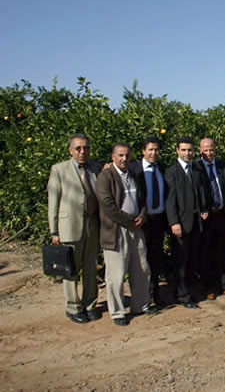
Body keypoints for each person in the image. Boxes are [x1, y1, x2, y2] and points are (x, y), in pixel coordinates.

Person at [96, 144, 154, 326]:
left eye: (127, 155)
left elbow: (142, 199)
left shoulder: (133, 174)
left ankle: (141, 305)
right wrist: (129, 220)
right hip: (116, 230)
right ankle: (118, 311)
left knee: (141, 268)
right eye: (120, 155)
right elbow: (107, 205)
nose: (124, 159)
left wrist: (142, 215)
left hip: (137, 228)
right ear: (113, 157)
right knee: (117, 273)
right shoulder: (105, 176)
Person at [47, 134, 102, 324]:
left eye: (86, 148)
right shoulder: (59, 170)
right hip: (69, 227)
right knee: (71, 269)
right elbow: (53, 201)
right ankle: (73, 307)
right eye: (78, 148)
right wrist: (54, 231)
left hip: (92, 226)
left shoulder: (95, 167)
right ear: (70, 150)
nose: (82, 151)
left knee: (90, 267)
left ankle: (90, 304)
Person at [194, 138, 225, 299]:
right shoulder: (196, 167)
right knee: (207, 253)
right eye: (205, 150)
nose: (209, 153)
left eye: (211, 149)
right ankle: (209, 287)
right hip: (207, 217)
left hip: (223, 215)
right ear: (200, 150)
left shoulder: (224, 166)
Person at [165, 137, 210, 308]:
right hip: (181, 224)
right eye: (183, 150)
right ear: (177, 150)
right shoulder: (172, 171)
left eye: (190, 150)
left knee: (192, 259)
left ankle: (190, 290)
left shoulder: (196, 170)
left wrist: (204, 208)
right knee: (181, 261)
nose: (187, 153)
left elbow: (201, 191)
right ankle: (182, 295)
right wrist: (174, 222)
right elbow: (170, 200)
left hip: (196, 222)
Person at [128, 137, 168, 306]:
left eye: (156, 149)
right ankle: (142, 295)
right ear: (143, 151)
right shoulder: (133, 169)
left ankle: (154, 292)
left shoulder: (163, 168)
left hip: (158, 220)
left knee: (155, 257)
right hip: (142, 221)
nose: (154, 153)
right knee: (140, 259)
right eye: (150, 149)